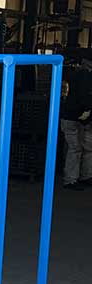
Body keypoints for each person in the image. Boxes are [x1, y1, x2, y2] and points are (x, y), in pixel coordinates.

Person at [60, 60, 92, 190]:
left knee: (81, 147)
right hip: (75, 117)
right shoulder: (85, 77)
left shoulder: (77, 76)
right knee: (77, 148)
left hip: (75, 117)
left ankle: (80, 176)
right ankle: (72, 179)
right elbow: (84, 97)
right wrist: (87, 110)